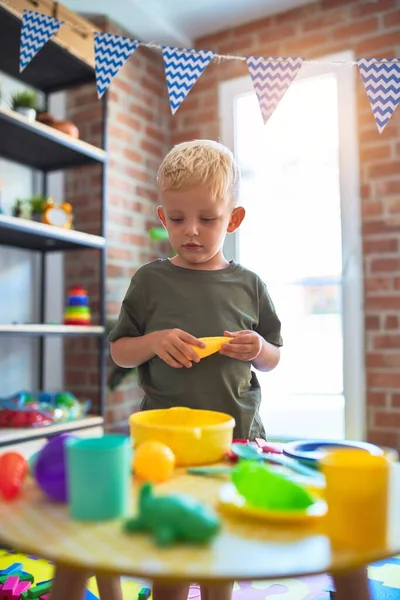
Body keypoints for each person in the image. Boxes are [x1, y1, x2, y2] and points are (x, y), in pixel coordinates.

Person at [108, 139, 282, 600]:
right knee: (172, 549)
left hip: (234, 437)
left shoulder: (249, 285)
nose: (192, 232)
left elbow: (275, 357)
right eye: (179, 219)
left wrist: (258, 347)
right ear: (163, 217)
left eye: (208, 219)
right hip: (165, 444)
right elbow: (121, 352)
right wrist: (153, 342)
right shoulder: (150, 281)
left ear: (234, 219)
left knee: (219, 545)